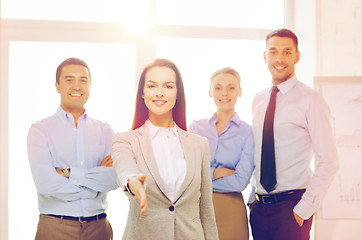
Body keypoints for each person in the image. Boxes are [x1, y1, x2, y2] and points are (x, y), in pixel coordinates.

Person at [112, 58, 219, 240]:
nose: (160, 93)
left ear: (178, 93)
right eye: (152, 86)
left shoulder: (199, 144)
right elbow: (125, 169)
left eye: (168, 86)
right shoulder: (125, 140)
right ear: (142, 93)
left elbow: (206, 210)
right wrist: (133, 182)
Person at [249, 28, 339, 240]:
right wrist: (253, 199)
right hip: (260, 210)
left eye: (287, 52)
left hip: (292, 208)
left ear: (297, 56)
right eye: (273, 52)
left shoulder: (311, 100)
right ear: (265, 56)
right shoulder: (258, 100)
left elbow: (329, 161)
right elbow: (260, 152)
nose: (279, 58)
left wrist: (303, 210)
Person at [27, 57, 118, 240]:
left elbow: (114, 179)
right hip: (55, 228)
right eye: (69, 80)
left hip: (99, 228)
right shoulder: (40, 130)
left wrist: (68, 172)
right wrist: (94, 183)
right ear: (57, 86)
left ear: (90, 86)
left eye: (83, 80)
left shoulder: (105, 130)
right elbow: (46, 184)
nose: (77, 86)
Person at [189, 67, 254, 240]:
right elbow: (188, 173)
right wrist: (217, 172)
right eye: (218, 87)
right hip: (196, 211)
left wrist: (203, 177)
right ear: (210, 92)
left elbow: (240, 182)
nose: (224, 93)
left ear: (240, 91)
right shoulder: (196, 128)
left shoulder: (248, 132)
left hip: (231, 211)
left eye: (231, 87)